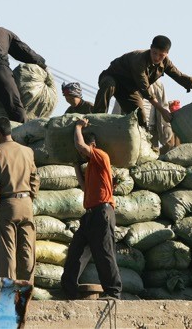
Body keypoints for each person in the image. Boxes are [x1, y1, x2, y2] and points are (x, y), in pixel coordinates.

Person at [61, 118, 122, 300]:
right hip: (89, 215)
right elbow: (84, 188)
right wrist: (75, 167)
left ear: (92, 145)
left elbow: (80, 145)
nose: (82, 154)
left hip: (102, 212)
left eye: (86, 149)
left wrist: (78, 126)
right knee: (75, 253)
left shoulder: (101, 156)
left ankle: (113, 292)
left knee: (104, 253)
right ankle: (69, 291)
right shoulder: (90, 168)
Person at [93, 35, 192, 124]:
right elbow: (145, 88)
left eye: (161, 55)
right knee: (109, 85)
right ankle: (96, 121)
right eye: (154, 53)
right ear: (150, 48)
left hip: (129, 88)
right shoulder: (139, 60)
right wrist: (162, 110)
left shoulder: (165, 62)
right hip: (113, 77)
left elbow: (181, 77)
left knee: (139, 114)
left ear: (166, 54)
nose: (157, 57)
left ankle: (142, 140)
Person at [0, 116, 40, 283]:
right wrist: (31, 196)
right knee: (27, 249)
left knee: (7, 250)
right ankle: (27, 287)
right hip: (26, 203)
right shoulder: (27, 151)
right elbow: (35, 178)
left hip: (7, 205)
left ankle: (9, 290)